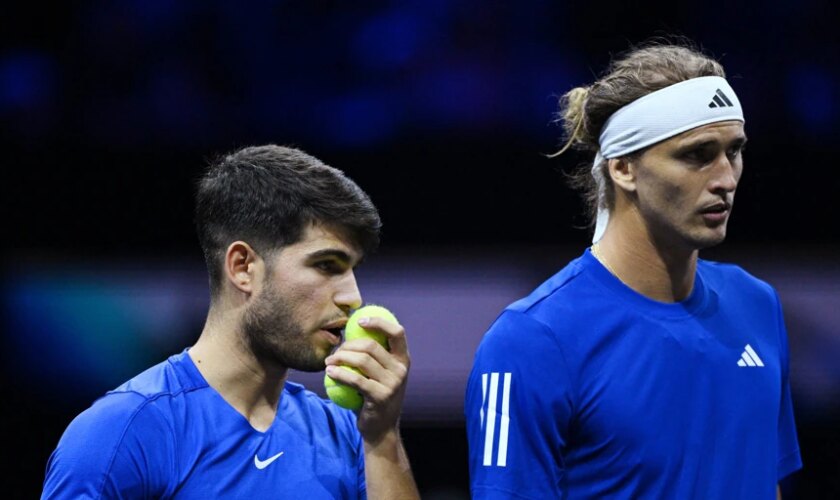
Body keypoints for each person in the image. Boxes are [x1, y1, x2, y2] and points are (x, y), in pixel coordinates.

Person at [465, 41, 802, 499]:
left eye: (734, 151)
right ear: (623, 168)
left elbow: (767, 483)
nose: (726, 178)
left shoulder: (757, 303)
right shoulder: (528, 341)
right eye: (698, 155)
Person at [42, 145, 419, 499]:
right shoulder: (122, 434)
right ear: (243, 267)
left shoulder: (346, 434)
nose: (352, 296)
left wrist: (383, 436)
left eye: (352, 269)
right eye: (326, 265)